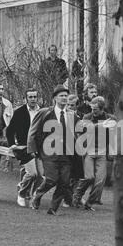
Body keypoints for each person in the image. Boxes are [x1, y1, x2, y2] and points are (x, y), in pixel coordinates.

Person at [27, 85, 80, 215]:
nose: (64, 98)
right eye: (61, 96)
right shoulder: (44, 112)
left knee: (65, 182)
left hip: (67, 153)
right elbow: (32, 131)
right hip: (49, 151)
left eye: (65, 96)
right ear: (55, 98)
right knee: (51, 179)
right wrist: (32, 148)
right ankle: (37, 195)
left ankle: (53, 208)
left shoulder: (72, 115)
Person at [72, 96, 116, 211]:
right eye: (92, 109)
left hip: (102, 152)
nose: (92, 111)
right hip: (89, 151)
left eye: (95, 109)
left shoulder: (110, 118)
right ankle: (77, 196)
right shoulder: (87, 117)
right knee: (89, 177)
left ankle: (89, 203)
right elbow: (79, 130)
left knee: (100, 181)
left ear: (101, 109)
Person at [6, 88, 42, 207]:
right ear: (26, 99)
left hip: (39, 147)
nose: (33, 99)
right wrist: (12, 145)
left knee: (41, 176)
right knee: (32, 173)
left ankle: (33, 196)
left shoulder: (42, 112)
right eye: (30, 97)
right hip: (24, 146)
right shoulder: (19, 112)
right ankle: (21, 193)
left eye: (34, 97)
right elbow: (10, 130)